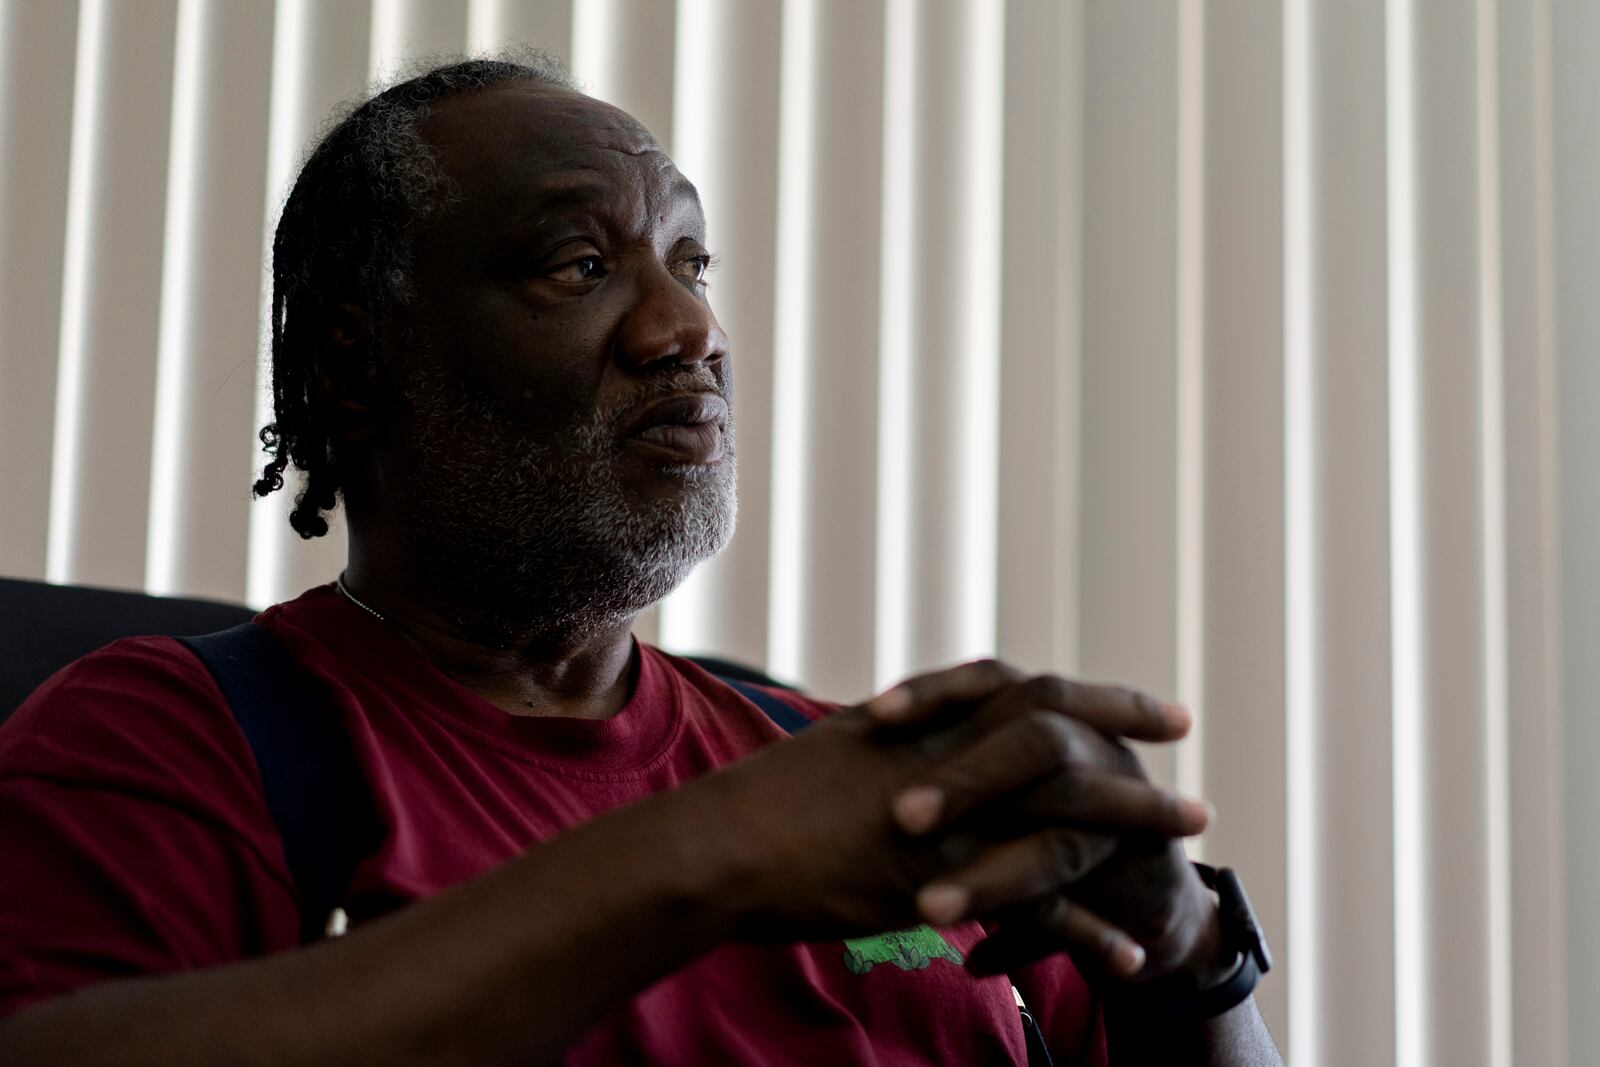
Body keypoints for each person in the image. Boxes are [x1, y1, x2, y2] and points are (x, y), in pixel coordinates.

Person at [0, 55, 1282, 1065]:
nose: (690, 329)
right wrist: (701, 855)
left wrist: (1188, 953)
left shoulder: (861, 778)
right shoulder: (172, 742)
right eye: (580, 264)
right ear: (356, 365)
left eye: (691, 262)